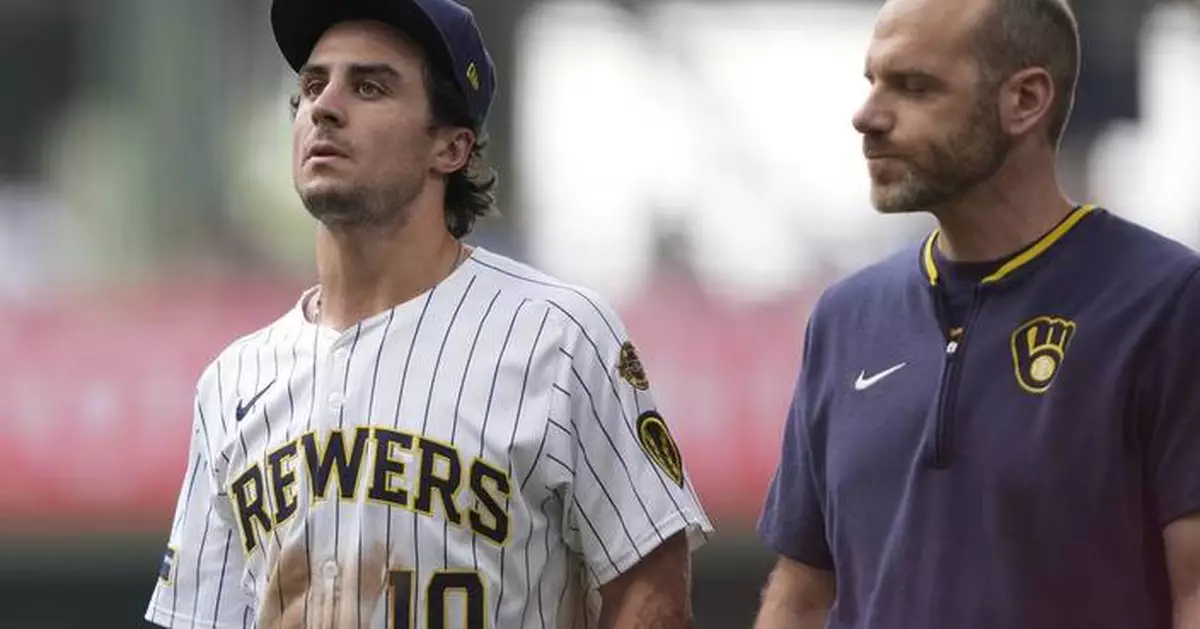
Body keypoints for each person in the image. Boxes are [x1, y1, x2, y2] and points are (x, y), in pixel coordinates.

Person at [144, 1, 712, 627]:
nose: (324, 107)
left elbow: (651, 589)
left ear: (450, 146)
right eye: (311, 85)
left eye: (368, 86)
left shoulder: (558, 337)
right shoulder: (232, 381)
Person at [753, 0, 1200, 627]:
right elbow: (801, 596)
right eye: (873, 82)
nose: (868, 116)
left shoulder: (1168, 302)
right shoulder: (844, 318)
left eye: (914, 87)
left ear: (1024, 100)